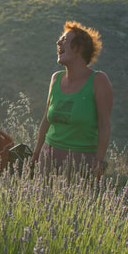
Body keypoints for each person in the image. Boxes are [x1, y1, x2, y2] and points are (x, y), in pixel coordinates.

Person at [32, 21, 113, 178]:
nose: (58, 43)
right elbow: (46, 120)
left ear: (79, 48)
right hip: (48, 156)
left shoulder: (98, 80)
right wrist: (36, 153)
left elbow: (105, 125)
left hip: (81, 160)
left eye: (64, 39)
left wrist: (99, 161)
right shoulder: (56, 78)